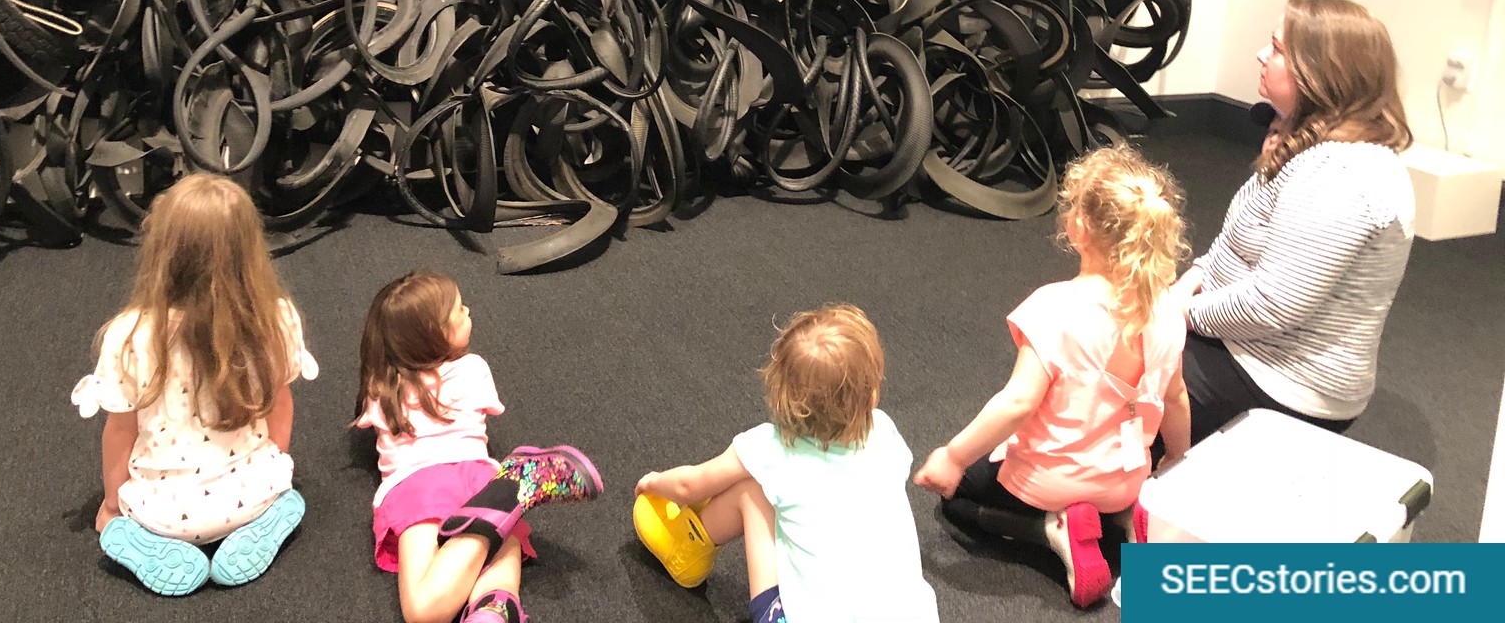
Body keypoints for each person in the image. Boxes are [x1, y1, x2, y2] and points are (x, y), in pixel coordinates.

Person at [913, 143, 1191, 609]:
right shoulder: (1166, 309)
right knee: (1120, 484)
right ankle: (1126, 515)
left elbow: (1017, 403)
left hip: (1052, 483)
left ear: (1079, 228)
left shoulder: (1054, 308)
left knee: (956, 500)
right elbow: (1177, 397)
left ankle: (1052, 527)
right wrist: (1175, 457)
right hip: (1127, 476)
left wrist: (953, 456)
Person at [1175, 0, 1415, 445]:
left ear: (1320, 72)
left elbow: (1272, 305)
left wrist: (1179, 316)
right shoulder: (1306, 141)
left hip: (1281, 381)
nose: (1261, 56)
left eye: (1277, 48)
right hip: (1249, 347)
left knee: (1106, 372)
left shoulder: (1343, 174)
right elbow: (1238, 245)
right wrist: (1190, 281)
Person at [71, 173, 317, 596]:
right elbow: (280, 407)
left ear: (162, 251)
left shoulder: (131, 335)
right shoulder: (274, 319)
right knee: (281, 488)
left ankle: (142, 541)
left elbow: (120, 432)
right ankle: (270, 516)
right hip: (254, 493)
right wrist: (275, 468)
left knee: (121, 521)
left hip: (161, 512)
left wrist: (112, 506)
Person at [632, 304, 938, 623]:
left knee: (753, 491)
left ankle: (690, 548)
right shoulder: (884, 431)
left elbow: (689, 486)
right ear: (872, 394)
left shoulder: (771, 448)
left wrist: (654, 482)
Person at [354, 270, 603, 623]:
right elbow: (487, 409)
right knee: (501, 545)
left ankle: (499, 539)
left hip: (415, 487)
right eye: (459, 309)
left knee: (423, 610)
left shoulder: (380, 389)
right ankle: (509, 503)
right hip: (478, 478)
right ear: (436, 334)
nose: (467, 309)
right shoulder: (472, 369)